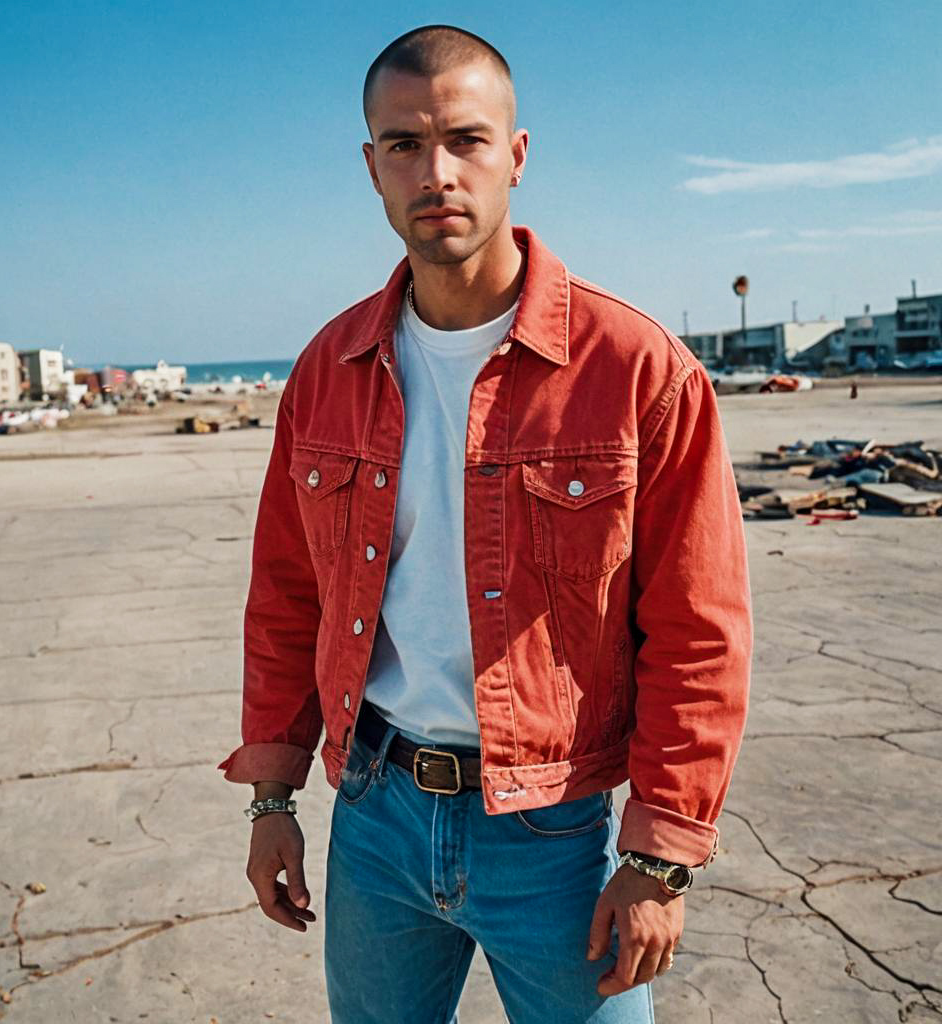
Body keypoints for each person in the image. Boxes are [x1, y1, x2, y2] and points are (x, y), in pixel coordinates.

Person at [219, 24, 753, 1024]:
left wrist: (660, 854)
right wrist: (271, 796)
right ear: (369, 165)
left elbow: (699, 629)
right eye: (403, 145)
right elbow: (286, 594)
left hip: (553, 832)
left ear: (515, 153)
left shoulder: (635, 367)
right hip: (374, 811)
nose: (437, 172)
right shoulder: (326, 371)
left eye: (465, 139)